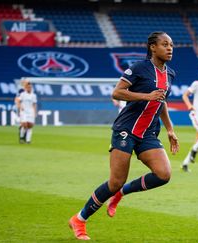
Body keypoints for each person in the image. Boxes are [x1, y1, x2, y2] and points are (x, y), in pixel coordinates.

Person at [68, 31, 179, 241]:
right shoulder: (139, 68)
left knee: (164, 174)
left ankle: (122, 194)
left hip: (148, 133)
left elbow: (161, 102)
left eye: (171, 45)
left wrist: (170, 129)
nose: (169, 48)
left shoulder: (170, 73)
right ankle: (79, 219)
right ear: (152, 47)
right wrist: (146, 96)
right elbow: (117, 92)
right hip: (126, 129)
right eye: (165, 44)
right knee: (115, 181)